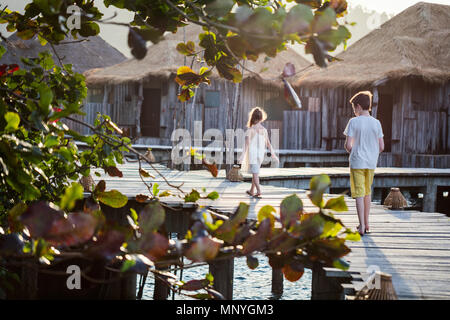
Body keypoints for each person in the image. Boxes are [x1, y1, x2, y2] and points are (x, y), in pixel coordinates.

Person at [344, 91, 384, 236]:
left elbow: (348, 145)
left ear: (359, 106)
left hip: (357, 162)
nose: (354, 111)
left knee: (359, 194)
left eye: (354, 108)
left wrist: (355, 150)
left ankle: (361, 226)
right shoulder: (376, 123)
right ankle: (367, 223)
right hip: (371, 163)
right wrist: (371, 153)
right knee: (367, 192)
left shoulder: (354, 122)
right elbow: (381, 147)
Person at [239, 107, 278, 198]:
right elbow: (268, 143)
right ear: (261, 118)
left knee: (255, 173)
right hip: (260, 155)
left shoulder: (251, 130)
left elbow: (246, 145)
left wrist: (242, 156)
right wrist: (273, 153)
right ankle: (252, 190)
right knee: (255, 172)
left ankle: (259, 191)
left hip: (253, 155)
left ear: (252, 118)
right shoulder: (264, 130)